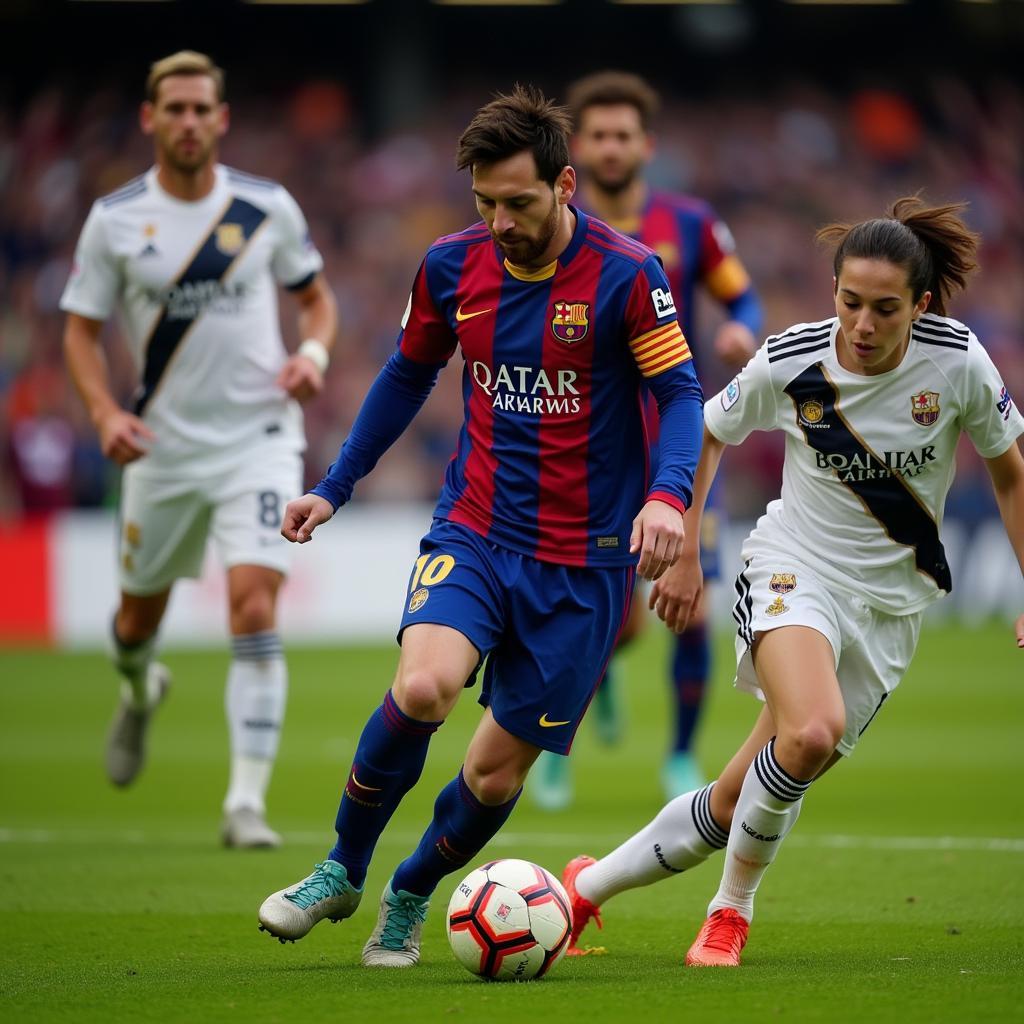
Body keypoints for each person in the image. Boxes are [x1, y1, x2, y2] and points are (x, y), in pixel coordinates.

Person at [256, 84, 704, 968]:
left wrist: (669, 495)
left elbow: (680, 394)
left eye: (520, 203)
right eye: (486, 203)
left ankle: (411, 892)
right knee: (423, 690)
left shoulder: (627, 273)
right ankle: (342, 867)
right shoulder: (451, 265)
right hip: (477, 531)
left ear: (566, 184)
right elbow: (403, 377)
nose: (500, 221)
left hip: (585, 565)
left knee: (494, 773)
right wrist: (335, 487)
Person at [561, 197, 1024, 965]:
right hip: (793, 565)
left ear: (922, 303)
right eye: (849, 302)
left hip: (889, 614)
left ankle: (583, 891)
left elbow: (1011, 474)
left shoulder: (958, 361)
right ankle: (730, 913)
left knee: (739, 796)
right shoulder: (794, 359)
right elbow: (708, 428)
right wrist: (683, 553)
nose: (862, 326)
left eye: (884, 308)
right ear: (832, 289)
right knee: (810, 730)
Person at [60, 51, 338, 848]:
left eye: (200, 109)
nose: (187, 122)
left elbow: (318, 304)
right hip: (160, 450)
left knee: (254, 602)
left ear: (222, 119)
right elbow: (79, 330)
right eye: (172, 109)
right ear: (150, 119)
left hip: (257, 438)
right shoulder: (114, 220)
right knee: (134, 620)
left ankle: (244, 802)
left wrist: (311, 358)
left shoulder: (265, 208)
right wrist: (105, 409)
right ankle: (141, 690)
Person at [531, 71, 763, 809]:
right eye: (595, 135)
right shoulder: (550, 222)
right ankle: (554, 747)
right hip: (585, 441)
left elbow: (742, 291)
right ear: (577, 147)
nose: (609, 146)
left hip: (676, 437)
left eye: (622, 134)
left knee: (685, 598)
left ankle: (681, 755)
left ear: (645, 145)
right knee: (595, 611)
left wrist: (740, 328)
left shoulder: (689, 222)